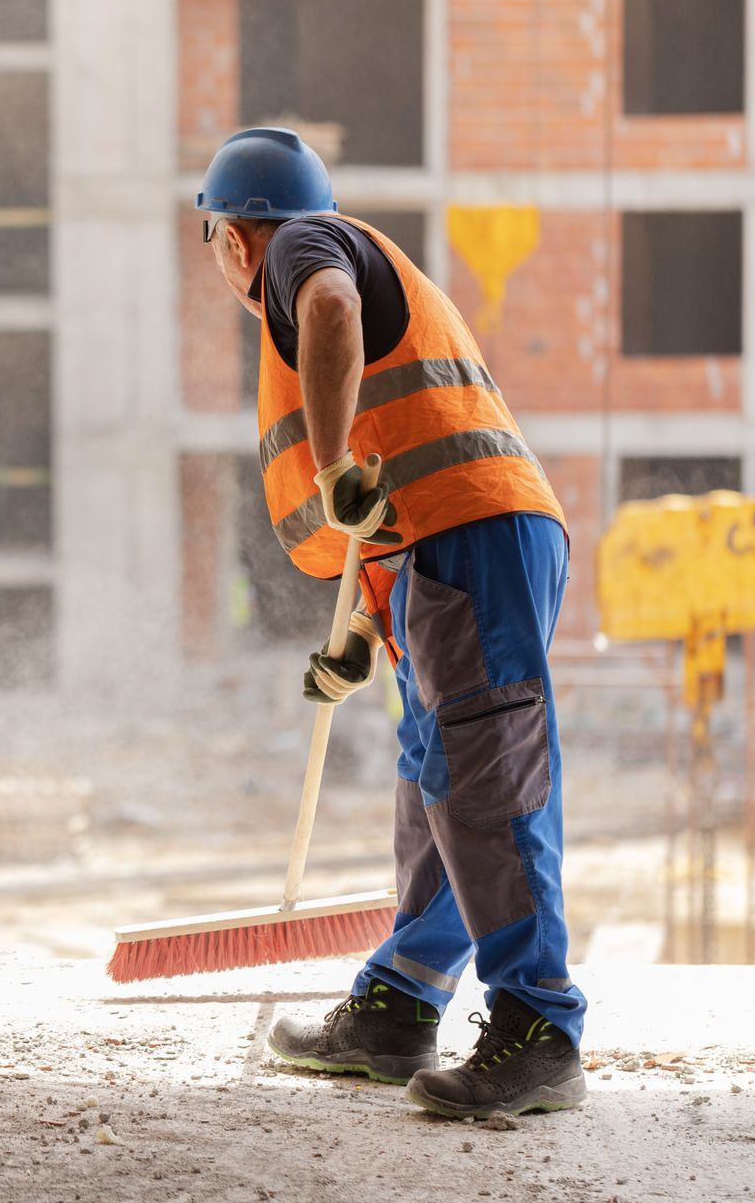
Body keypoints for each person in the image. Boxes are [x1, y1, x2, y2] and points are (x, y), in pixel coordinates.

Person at [197, 127, 587, 1118]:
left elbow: (331, 323)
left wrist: (329, 467)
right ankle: (398, 1007)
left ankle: (540, 1026)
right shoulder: (333, 271)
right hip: (449, 544)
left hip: (476, 532)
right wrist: (360, 644)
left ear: (232, 236)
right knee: (439, 781)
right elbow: (386, 503)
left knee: (486, 779)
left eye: (213, 240)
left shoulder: (300, 252)